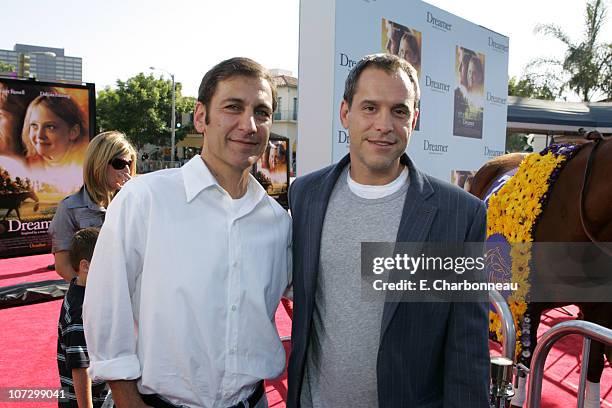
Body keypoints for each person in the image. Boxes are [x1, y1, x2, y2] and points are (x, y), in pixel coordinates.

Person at [83, 57, 291, 408]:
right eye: (232, 108)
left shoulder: (277, 221)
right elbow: (106, 303)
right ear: (200, 117)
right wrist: (126, 398)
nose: (249, 124)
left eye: (262, 112)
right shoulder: (145, 199)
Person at [287, 54, 489, 407]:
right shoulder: (305, 195)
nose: (384, 124)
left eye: (399, 111)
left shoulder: (458, 215)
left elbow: (467, 349)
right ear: (344, 113)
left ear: (415, 119)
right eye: (369, 108)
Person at [49, 131, 136, 281]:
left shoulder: (132, 202)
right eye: (119, 163)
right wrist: (90, 291)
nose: (127, 170)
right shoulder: (70, 207)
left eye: (129, 163)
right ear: (99, 164)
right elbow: (63, 265)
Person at [57, 227, 109, 408]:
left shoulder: (78, 290)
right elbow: (80, 368)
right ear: (85, 266)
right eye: (105, 261)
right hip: (89, 401)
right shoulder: (80, 312)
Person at [21, 94, 89, 169]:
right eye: (34, 125)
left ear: (73, 132)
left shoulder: (82, 164)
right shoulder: (27, 165)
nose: (39, 135)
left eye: (50, 127)